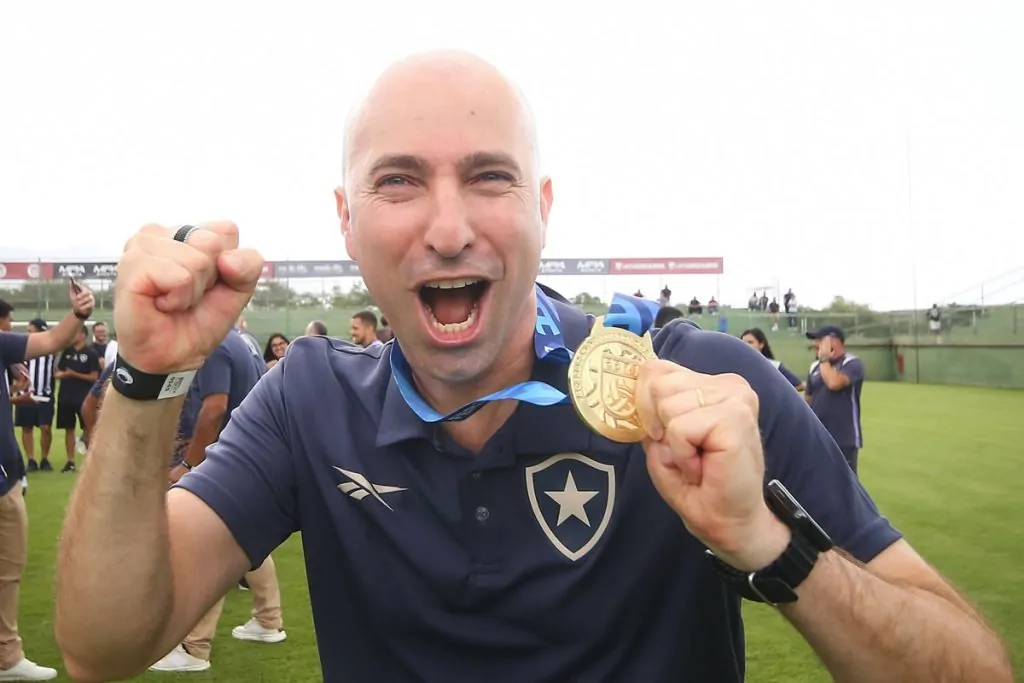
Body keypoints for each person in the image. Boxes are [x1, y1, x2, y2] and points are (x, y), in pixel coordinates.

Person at [54, 52, 1012, 683]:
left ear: (543, 207)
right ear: (345, 222)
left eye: (489, 175)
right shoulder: (308, 400)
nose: (449, 226)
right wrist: (145, 380)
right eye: (398, 181)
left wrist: (768, 541)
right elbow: (102, 641)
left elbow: (974, 669)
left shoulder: (703, 387)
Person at [152, 329, 286, 673]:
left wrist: (188, 464)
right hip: (256, 450)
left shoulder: (213, 345)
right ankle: (269, 620)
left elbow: (214, 408)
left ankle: (193, 648)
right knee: (247, 536)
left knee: (209, 542)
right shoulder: (243, 340)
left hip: (231, 454)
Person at [1, 282, 94, 681]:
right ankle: (7, 656)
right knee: (7, 570)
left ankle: (7, 656)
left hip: (5, 477)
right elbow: (54, 339)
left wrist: (79, 314)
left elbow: (53, 340)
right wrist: (79, 313)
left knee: (8, 570)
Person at [805, 326, 864, 474]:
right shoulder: (814, 367)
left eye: (820, 340)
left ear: (835, 341)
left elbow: (834, 383)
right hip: (817, 436)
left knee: (845, 487)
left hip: (843, 437)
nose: (816, 344)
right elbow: (807, 401)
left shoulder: (852, 363)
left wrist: (824, 359)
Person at [12, 319, 57, 473]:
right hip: (24, 395)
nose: (28, 333)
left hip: (44, 395)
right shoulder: (20, 349)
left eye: (31, 330)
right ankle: (31, 460)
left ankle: (44, 459)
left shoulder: (51, 349)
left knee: (45, 428)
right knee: (26, 427)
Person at [54, 325, 101, 472]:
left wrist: (73, 374)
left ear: (82, 335)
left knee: (87, 429)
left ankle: (90, 462)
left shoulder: (91, 353)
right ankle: (70, 461)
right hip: (65, 397)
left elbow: (94, 377)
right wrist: (61, 375)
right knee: (68, 429)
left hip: (83, 397)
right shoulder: (67, 352)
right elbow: (58, 372)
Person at [739, 328, 804, 392]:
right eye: (743, 342)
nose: (746, 345)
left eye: (750, 342)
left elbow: (799, 385)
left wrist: (777, 395)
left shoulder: (774, 366)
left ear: (761, 344)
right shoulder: (738, 366)